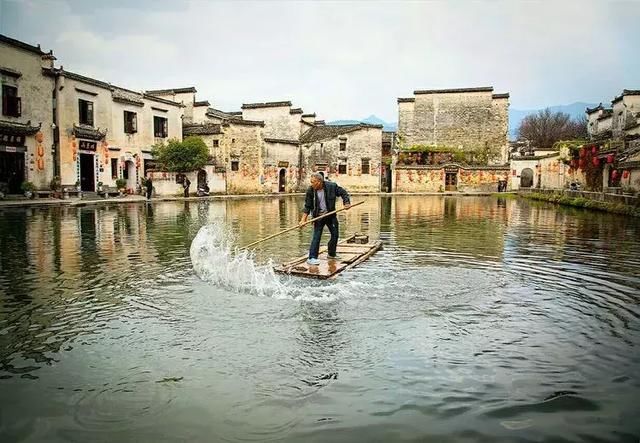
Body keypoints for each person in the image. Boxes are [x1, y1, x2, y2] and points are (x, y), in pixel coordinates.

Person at [299, 172, 351, 265]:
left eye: (313, 182)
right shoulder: (310, 190)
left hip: (330, 215)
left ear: (319, 182)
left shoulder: (332, 186)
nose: (311, 184)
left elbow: (343, 192)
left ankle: (331, 254)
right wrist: (303, 220)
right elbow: (307, 206)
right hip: (318, 216)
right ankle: (312, 258)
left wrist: (346, 202)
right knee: (316, 236)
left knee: (335, 235)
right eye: (311, 182)